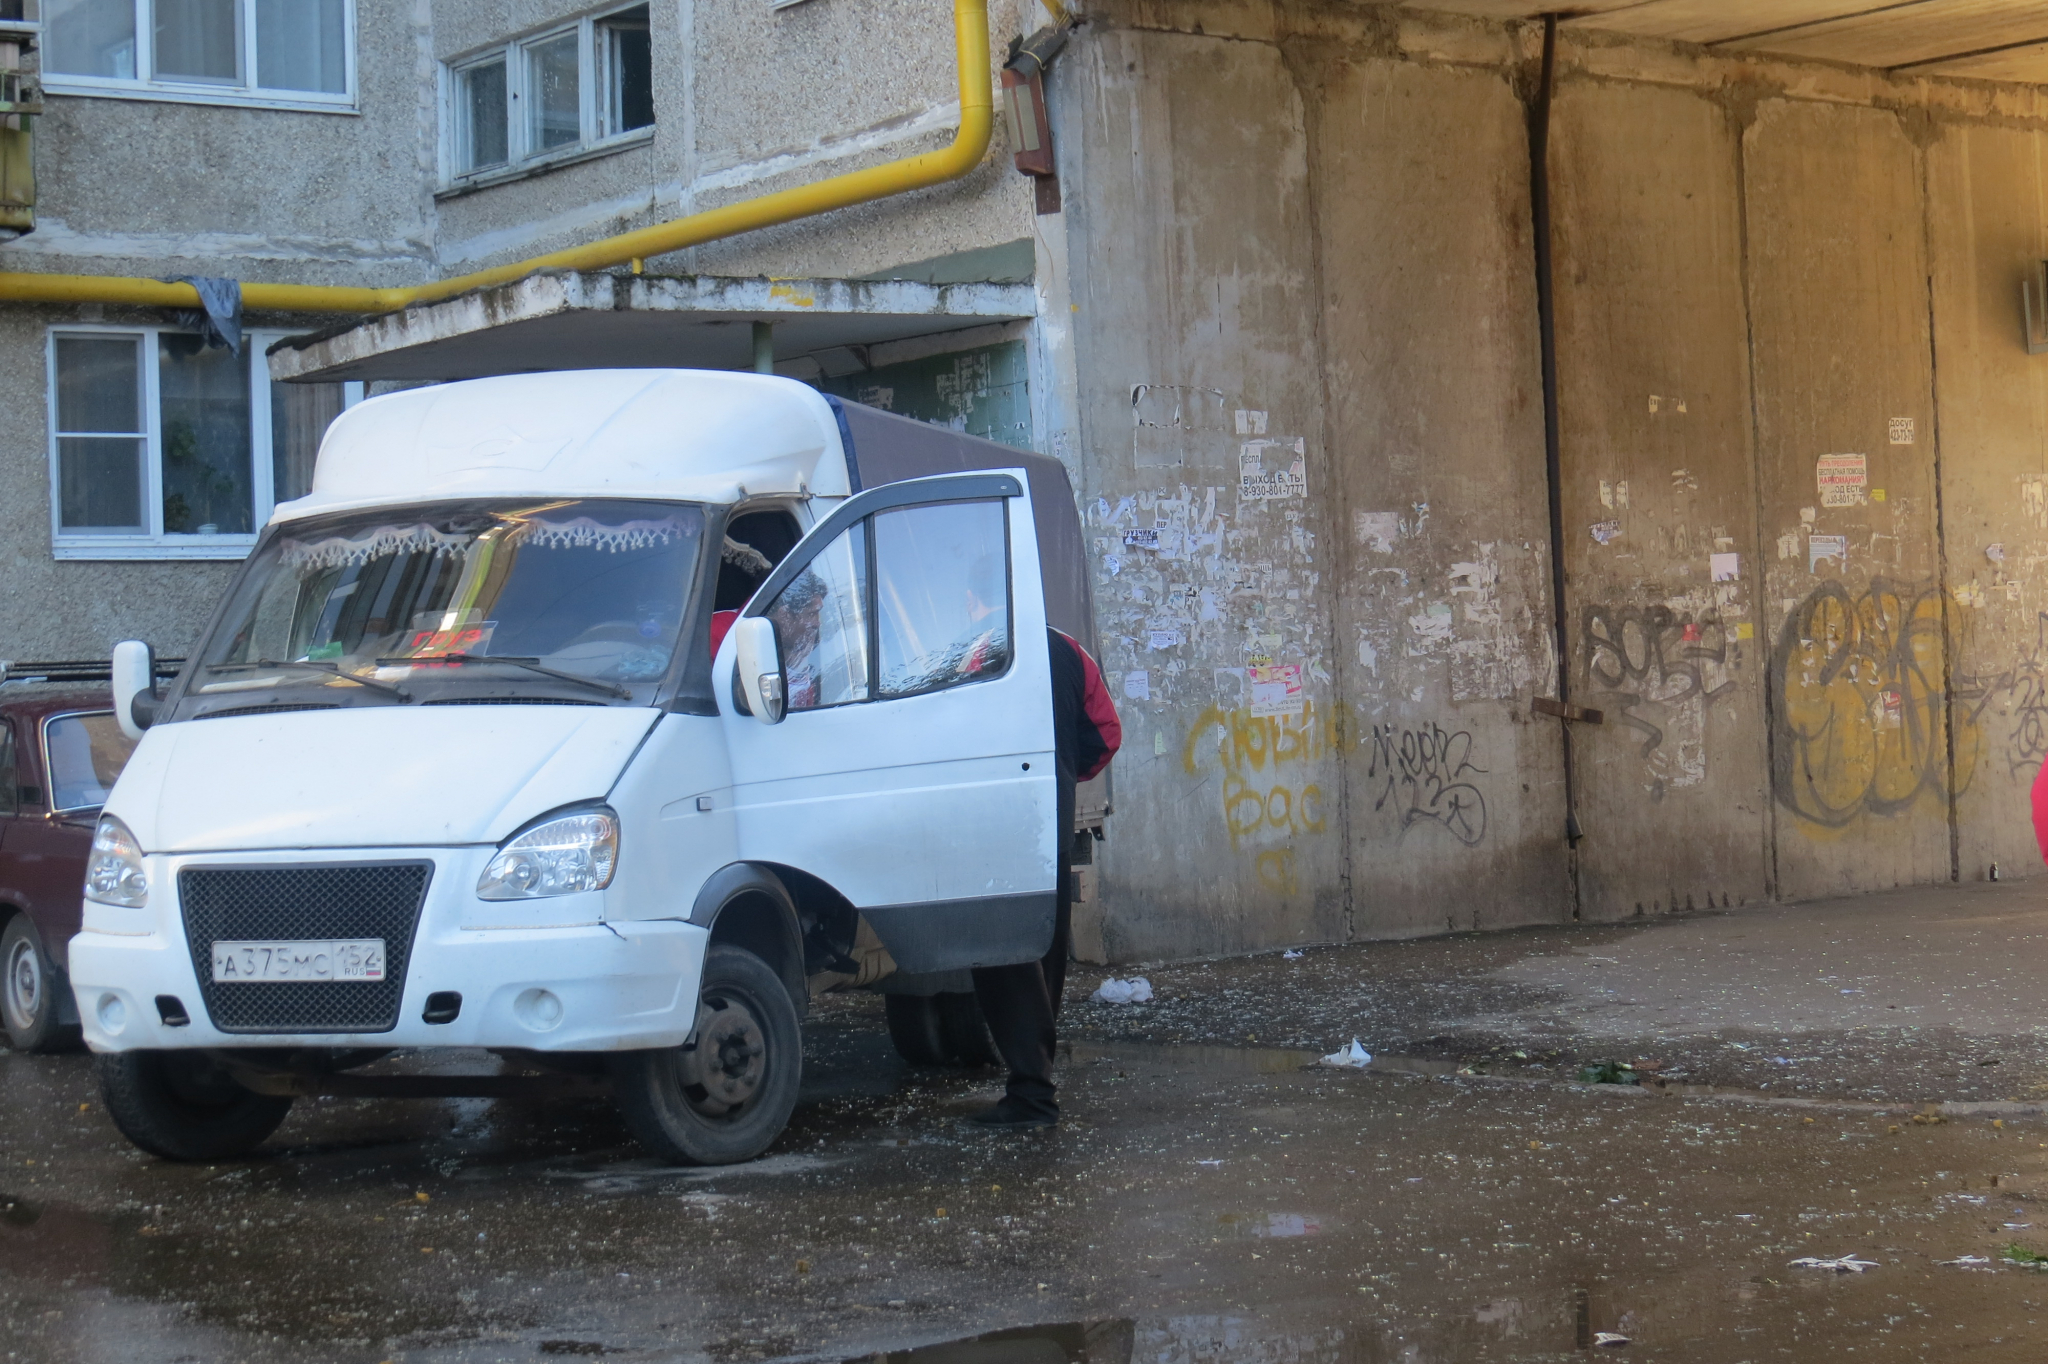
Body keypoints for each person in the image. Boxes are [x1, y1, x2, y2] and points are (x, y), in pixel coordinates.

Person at [968, 625, 1121, 1129]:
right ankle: (1034, 1085)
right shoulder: (1067, 648)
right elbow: (1106, 731)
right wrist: (1062, 773)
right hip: (1050, 815)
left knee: (1001, 952)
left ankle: (1032, 1095)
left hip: (993, 823)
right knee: (1047, 943)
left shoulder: (974, 651)